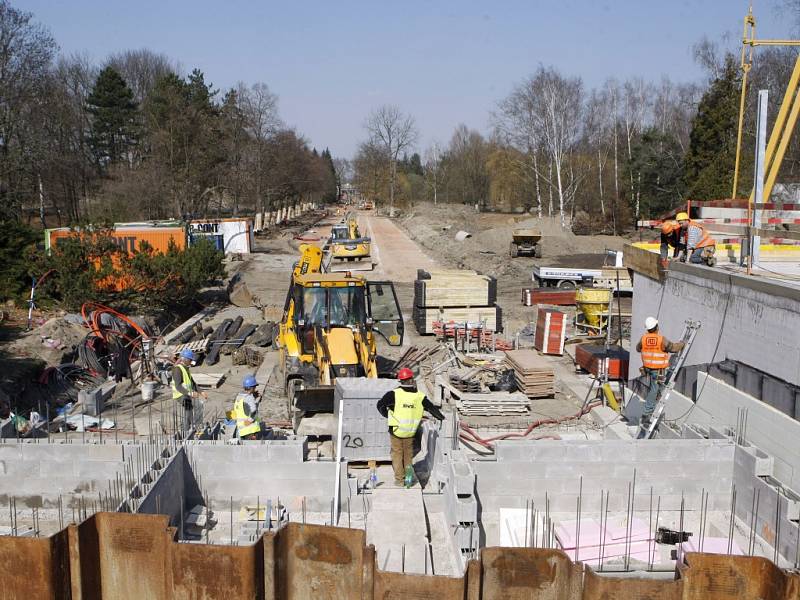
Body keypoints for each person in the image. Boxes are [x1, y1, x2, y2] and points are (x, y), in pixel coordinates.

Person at [376, 368, 445, 487]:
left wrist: (387, 415)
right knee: (408, 457)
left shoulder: (394, 394)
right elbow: (431, 408)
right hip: (410, 432)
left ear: (401, 381)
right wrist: (442, 418)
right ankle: (408, 480)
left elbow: (380, 405)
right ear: (411, 380)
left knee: (397, 455)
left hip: (396, 431)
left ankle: (400, 480)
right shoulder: (419, 396)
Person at [636, 317, 685, 427]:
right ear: (657, 327)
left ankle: (653, 401)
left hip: (647, 368)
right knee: (655, 390)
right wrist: (682, 344)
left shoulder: (643, 339)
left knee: (656, 389)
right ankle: (646, 415)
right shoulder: (661, 339)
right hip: (659, 370)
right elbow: (673, 348)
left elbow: (638, 349)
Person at [171, 349, 207, 434]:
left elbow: (192, 383)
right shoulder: (177, 369)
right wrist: (190, 393)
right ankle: (185, 430)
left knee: (199, 405)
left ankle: (197, 426)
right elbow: (178, 385)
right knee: (189, 408)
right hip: (180, 394)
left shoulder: (186, 368)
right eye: (190, 360)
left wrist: (201, 391)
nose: (191, 362)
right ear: (185, 359)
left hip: (187, 393)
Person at [231, 375, 261, 439]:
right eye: (254, 387)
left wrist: (253, 397)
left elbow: (242, 410)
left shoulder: (239, 397)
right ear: (252, 388)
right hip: (251, 431)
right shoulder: (249, 398)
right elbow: (253, 411)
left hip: (241, 430)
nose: (255, 389)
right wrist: (250, 421)